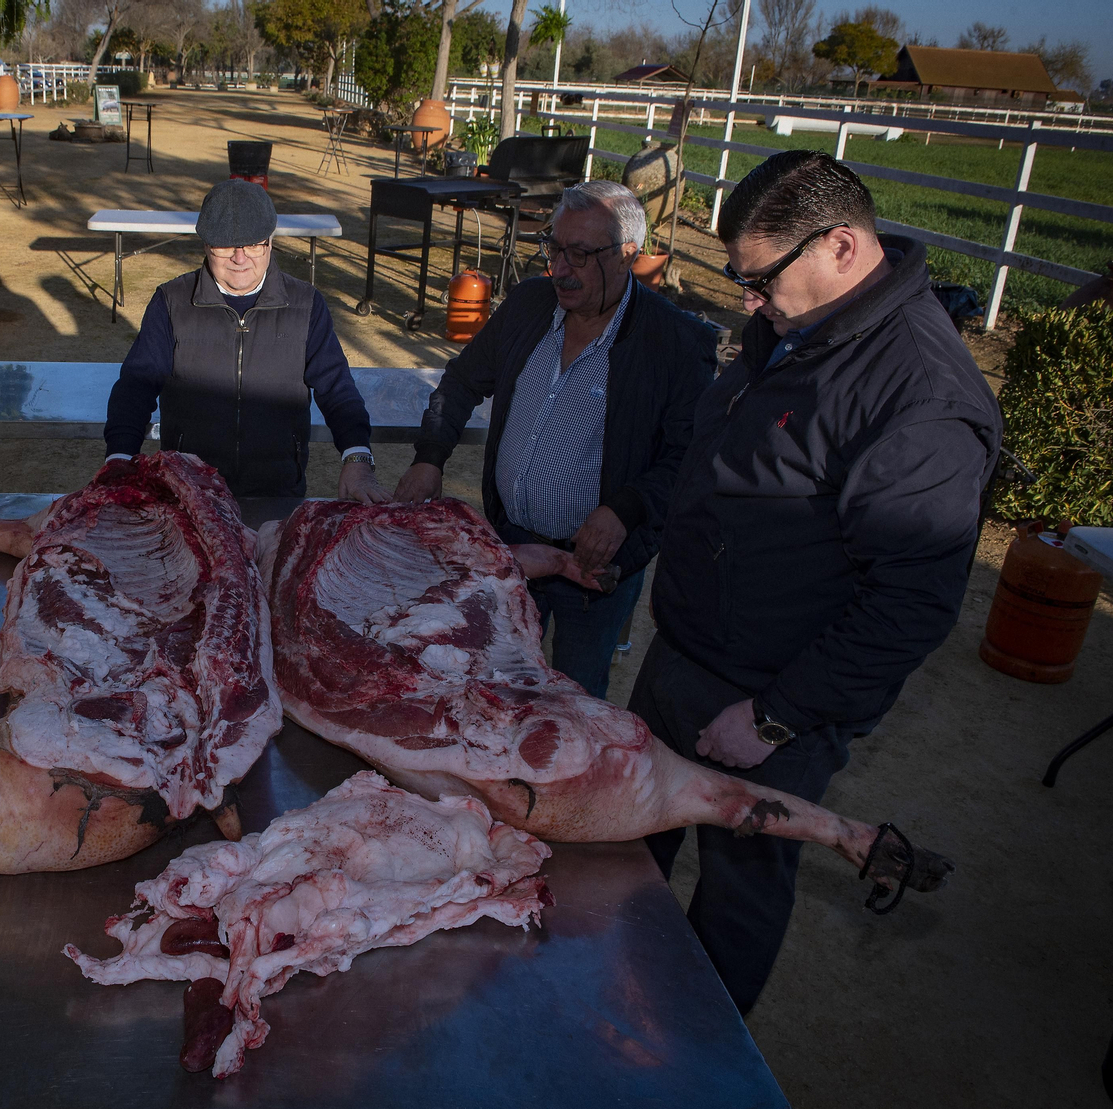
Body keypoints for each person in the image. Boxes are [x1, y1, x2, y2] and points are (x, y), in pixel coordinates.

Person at [633, 150, 1002, 1015]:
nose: (748, 299)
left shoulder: (918, 396)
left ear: (841, 245)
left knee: (738, 891)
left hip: (773, 699)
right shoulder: (798, 320)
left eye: (759, 279)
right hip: (687, 653)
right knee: (625, 844)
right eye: (740, 276)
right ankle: (607, 993)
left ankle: (698, 1050)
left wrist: (773, 718)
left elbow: (911, 602)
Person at [390, 180, 717, 699]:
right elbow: (461, 380)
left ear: (628, 255)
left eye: (580, 255)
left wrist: (626, 508)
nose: (559, 270)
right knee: (491, 679)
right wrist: (431, 457)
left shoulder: (677, 343)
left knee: (576, 696)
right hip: (512, 543)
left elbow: (693, 456)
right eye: (555, 249)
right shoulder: (530, 304)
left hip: (596, 566)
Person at [104, 179, 388, 501]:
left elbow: (338, 388)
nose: (240, 258)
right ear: (206, 244)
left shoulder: (306, 304)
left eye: (253, 244)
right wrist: (119, 460)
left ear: (270, 242)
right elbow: (136, 385)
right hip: (188, 493)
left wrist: (357, 457)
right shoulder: (171, 302)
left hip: (278, 494)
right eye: (225, 245)